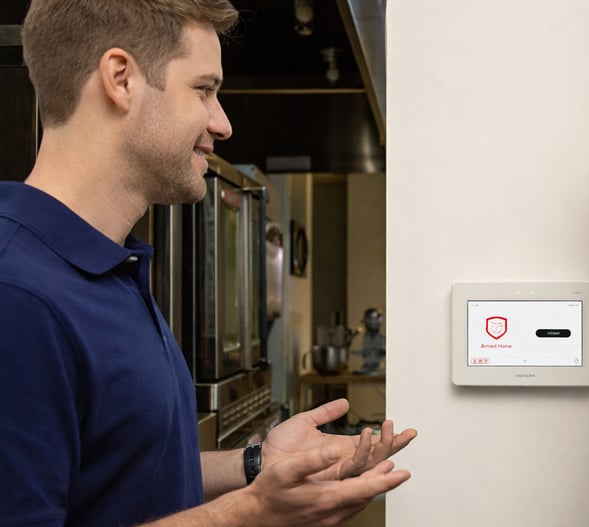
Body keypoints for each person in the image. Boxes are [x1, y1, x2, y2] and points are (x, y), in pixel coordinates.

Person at [0, 1, 416, 526]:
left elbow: (124, 476)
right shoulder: (16, 294)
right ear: (121, 79)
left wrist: (257, 465)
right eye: (203, 90)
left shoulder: (113, 268)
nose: (223, 124)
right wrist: (248, 514)